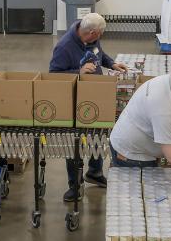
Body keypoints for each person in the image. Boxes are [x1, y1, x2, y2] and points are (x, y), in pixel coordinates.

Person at [49, 13, 128, 202]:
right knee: (76, 143)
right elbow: (53, 75)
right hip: (76, 101)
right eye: (99, 34)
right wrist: (79, 72)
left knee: (98, 134)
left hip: (96, 94)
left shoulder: (91, 38)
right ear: (92, 32)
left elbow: (100, 54)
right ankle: (74, 185)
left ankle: (94, 172)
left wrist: (112, 63)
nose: (100, 38)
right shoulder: (64, 47)